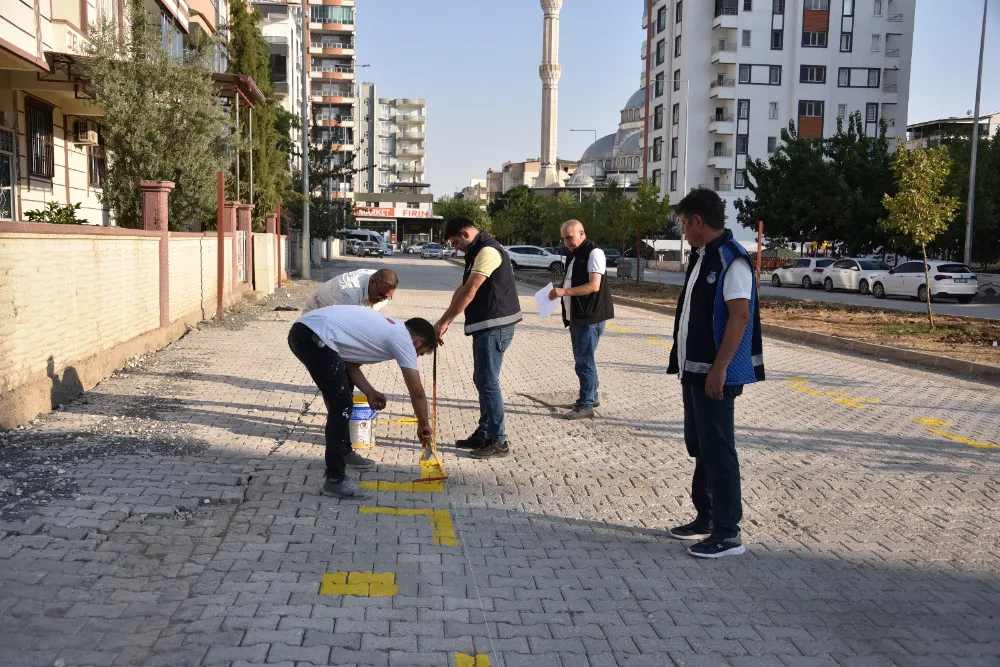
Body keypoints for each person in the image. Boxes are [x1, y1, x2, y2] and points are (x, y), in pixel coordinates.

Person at [666, 188, 764, 558]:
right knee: (701, 446)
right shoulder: (702, 256)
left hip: (714, 374)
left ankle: (728, 532)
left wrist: (720, 370)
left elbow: (740, 317)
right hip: (694, 370)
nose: (683, 231)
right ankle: (705, 517)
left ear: (698, 222)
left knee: (719, 450)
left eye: (684, 224)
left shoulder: (730, 260)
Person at [288, 305, 436, 499]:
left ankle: (344, 451)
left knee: (344, 392)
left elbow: (350, 366)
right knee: (341, 405)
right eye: (421, 352)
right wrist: (423, 424)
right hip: (312, 337)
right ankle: (335, 480)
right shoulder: (402, 339)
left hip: (308, 332)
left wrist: (370, 392)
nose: (416, 356)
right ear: (418, 340)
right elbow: (417, 392)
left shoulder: (390, 329)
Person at [434, 216, 521, 459]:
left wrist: (445, 321)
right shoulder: (475, 251)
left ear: (464, 233)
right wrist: (443, 320)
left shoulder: (489, 251)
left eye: (455, 242)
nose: (455, 247)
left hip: (496, 325)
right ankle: (484, 432)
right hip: (486, 325)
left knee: (488, 380)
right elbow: (461, 289)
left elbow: (471, 291)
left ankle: (498, 439)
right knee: (482, 379)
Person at [548, 220, 614, 419]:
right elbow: (571, 280)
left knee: (583, 361)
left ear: (582, 233)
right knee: (586, 359)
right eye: (564, 238)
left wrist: (564, 291)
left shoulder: (594, 253)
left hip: (589, 316)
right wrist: (556, 291)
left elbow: (594, 286)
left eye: (570, 237)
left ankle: (585, 405)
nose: (567, 241)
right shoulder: (574, 253)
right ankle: (591, 396)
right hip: (577, 315)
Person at [302, 268, 398, 313]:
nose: (382, 300)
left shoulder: (382, 290)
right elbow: (342, 330)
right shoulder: (349, 296)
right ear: (372, 281)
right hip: (315, 316)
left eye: (387, 297)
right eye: (380, 295)